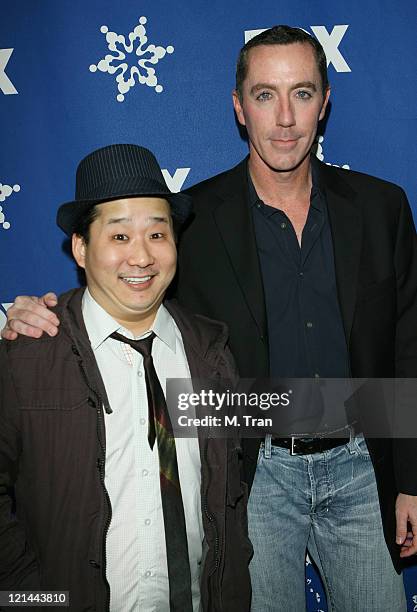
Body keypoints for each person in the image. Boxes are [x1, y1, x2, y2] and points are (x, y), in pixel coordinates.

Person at [3, 25, 417, 611]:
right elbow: (125, 289)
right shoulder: (191, 222)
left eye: (301, 93)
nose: (285, 118)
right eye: (264, 94)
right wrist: (37, 315)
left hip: (360, 466)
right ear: (238, 106)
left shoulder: (383, 207)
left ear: (325, 102)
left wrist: (411, 480)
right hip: (254, 475)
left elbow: (407, 340)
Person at [0, 144, 252, 612]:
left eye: (158, 234)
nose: (141, 257)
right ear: (80, 247)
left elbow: (230, 501)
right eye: (119, 237)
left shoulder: (210, 354)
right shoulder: (28, 359)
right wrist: (35, 600)